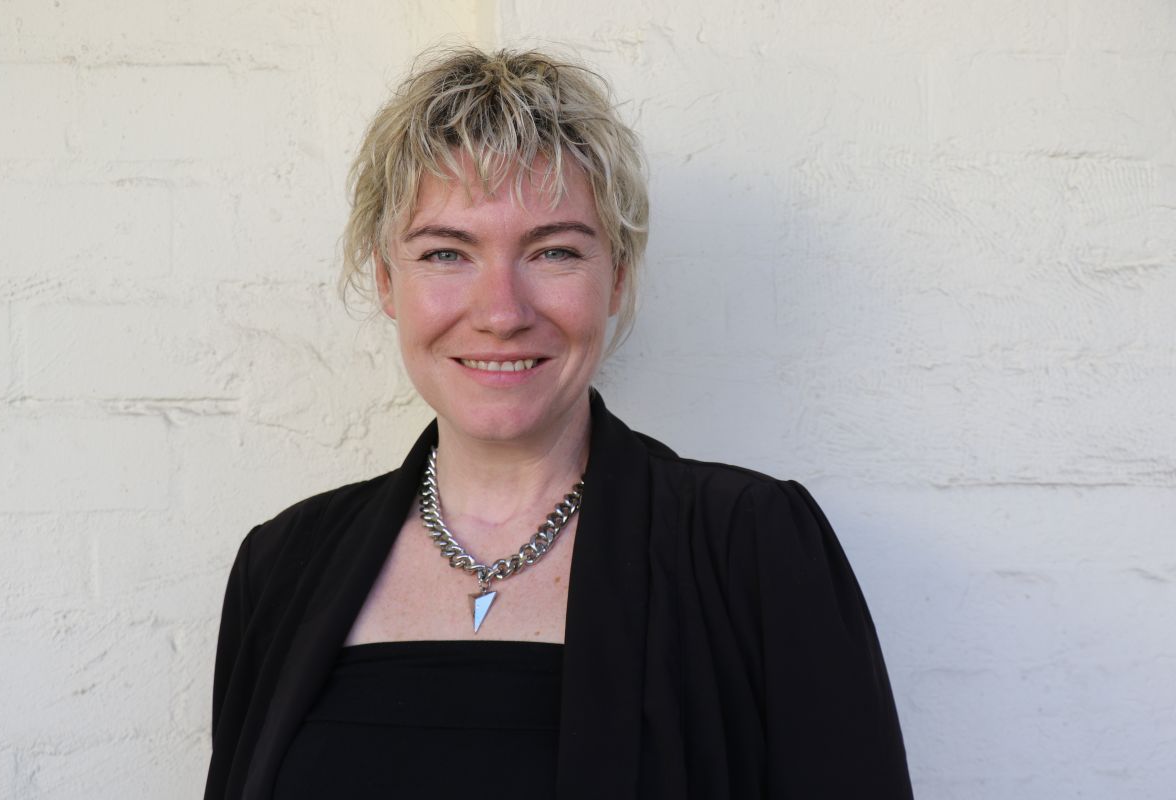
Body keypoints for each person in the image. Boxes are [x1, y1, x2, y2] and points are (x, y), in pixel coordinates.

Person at [205, 46, 913, 800]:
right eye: (446, 252)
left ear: (617, 277)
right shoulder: (282, 566)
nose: (502, 313)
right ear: (386, 281)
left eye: (553, 252)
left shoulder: (752, 550)